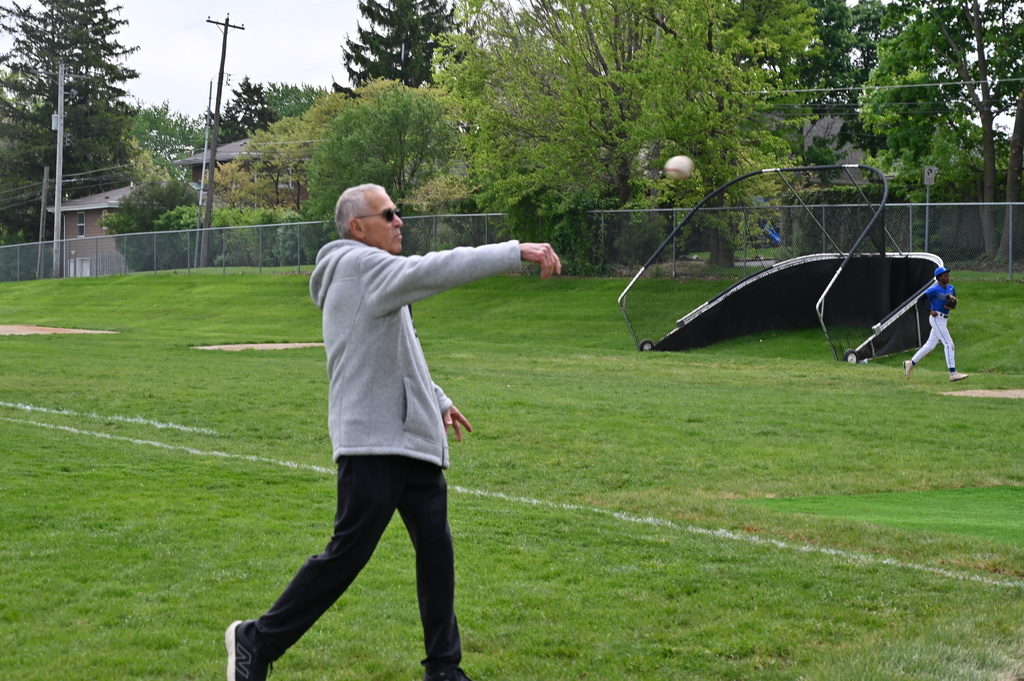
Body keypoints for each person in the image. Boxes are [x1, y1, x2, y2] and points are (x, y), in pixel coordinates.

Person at [225, 183, 561, 681]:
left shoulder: (372, 276)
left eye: (398, 213)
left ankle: (444, 669)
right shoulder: (360, 266)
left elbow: (403, 347)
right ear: (358, 228)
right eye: (389, 214)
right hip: (374, 443)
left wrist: (437, 399)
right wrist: (515, 251)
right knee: (348, 555)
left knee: (435, 549)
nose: (399, 220)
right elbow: (434, 269)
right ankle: (256, 640)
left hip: (410, 438)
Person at [904, 266, 968, 382]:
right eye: (945, 275)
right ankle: (953, 373)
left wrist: (952, 300)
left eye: (948, 275)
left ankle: (911, 363)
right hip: (936, 317)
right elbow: (920, 300)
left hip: (944, 319)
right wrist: (929, 310)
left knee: (930, 345)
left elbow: (951, 305)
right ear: (939, 278)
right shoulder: (934, 290)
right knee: (949, 344)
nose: (947, 277)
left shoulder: (951, 288)